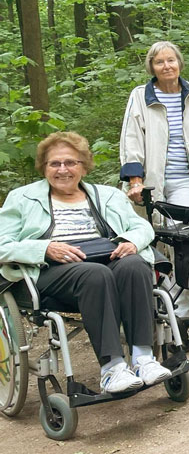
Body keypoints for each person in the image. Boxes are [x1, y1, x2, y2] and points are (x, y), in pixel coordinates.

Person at [0, 132, 171, 393]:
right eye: (54, 163)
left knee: (135, 265)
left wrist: (131, 241)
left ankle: (143, 359)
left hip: (105, 258)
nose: (62, 169)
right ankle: (112, 368)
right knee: (95, 274)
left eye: (70, 162)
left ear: (84, 165)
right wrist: (45, 248)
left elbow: (141, 226)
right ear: (43, 167)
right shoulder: (22, 198)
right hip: (52, 272)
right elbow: (3, 244)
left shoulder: (108, 195)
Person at [120, 40, 189, 318]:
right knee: (151, 240)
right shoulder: (140, 95)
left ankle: (181, 314)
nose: (166, 66)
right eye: (159, 62)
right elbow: (131, 139)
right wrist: (134, 181)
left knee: (183, 242)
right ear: (152, 67)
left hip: (186, 181)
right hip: (150, 182)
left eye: (171, 60)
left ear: (180, 63)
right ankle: (158, 300)